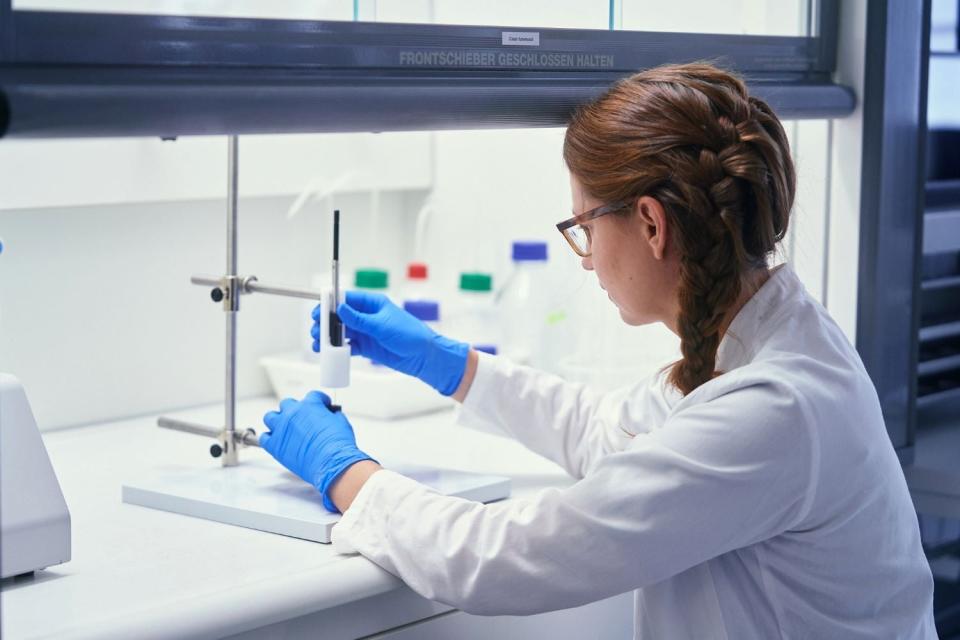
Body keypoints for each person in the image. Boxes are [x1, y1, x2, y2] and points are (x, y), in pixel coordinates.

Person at [260, 62, 936, 638]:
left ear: (650, 223)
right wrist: (450, 365)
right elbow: (610, 433)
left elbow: (507, 557)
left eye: (584, 226)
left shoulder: (776, 408)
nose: (585, 261)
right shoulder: (768, 337)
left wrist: (346, 473)